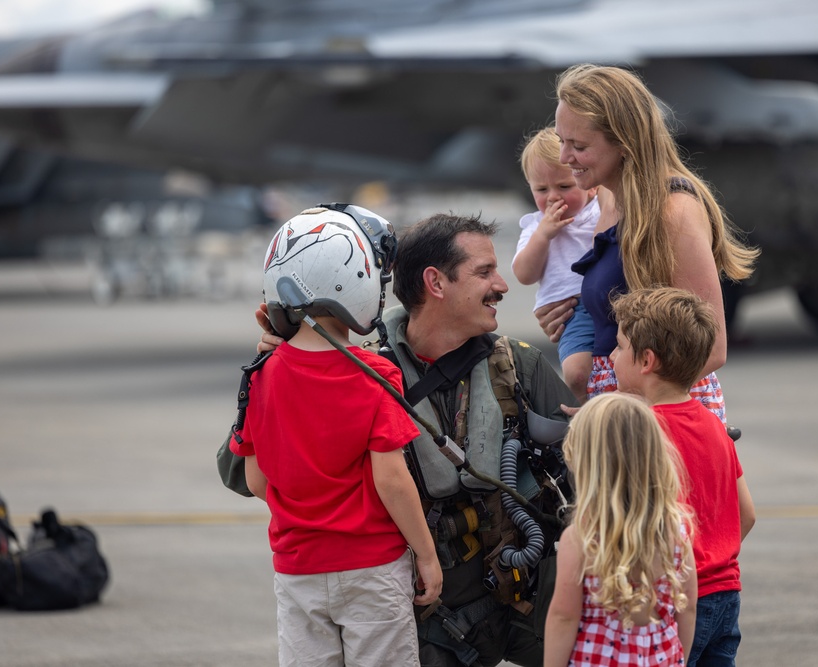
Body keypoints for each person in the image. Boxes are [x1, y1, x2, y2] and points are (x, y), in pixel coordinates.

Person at [254, 212, 580, 667]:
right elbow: (248, 472)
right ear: (436, 283)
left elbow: (598, 473)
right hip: (427, 615)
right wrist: (282, 370)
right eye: (484, 272)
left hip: (522, 599)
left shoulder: (519, 368)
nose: (502, 286)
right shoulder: (362, 374)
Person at [230, 204, 443, 667]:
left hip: (297, 570)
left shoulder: (261, 376)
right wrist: (426, 555)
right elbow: (391, 479)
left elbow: (256, 482)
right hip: (372, 568)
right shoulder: (376, 374)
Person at [540, 63, 759, 421]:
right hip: (622, 415)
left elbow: (713, 347)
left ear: (624, 143)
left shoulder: (674, 211)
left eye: (578, 145)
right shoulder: (610, 197)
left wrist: (632, 409)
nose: (565, 158)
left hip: (659, 421)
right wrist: (570, 314)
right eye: (561, 141)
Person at [610, 287, 756, 667]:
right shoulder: (714, 424)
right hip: (727, 593)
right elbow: (748, 514)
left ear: (646, 360)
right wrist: (714, 557)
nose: (611, 356)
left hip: (676, 598)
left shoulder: (640, 431)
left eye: (619, 346)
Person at [544, 392, 697, 667]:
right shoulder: (676, 531)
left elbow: (563, 617)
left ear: (588, 466)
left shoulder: (581, 539)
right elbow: (688, 608)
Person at [511, 126, 600, 402]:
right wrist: (544, 236)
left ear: (592, 185)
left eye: (564, 186)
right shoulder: (535, 226)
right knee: (576, 372)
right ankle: (583, 413)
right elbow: (524, 274)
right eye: (541, 189)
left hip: (610, 300)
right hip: (571, 312)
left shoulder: (599, 211)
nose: (552, 197)